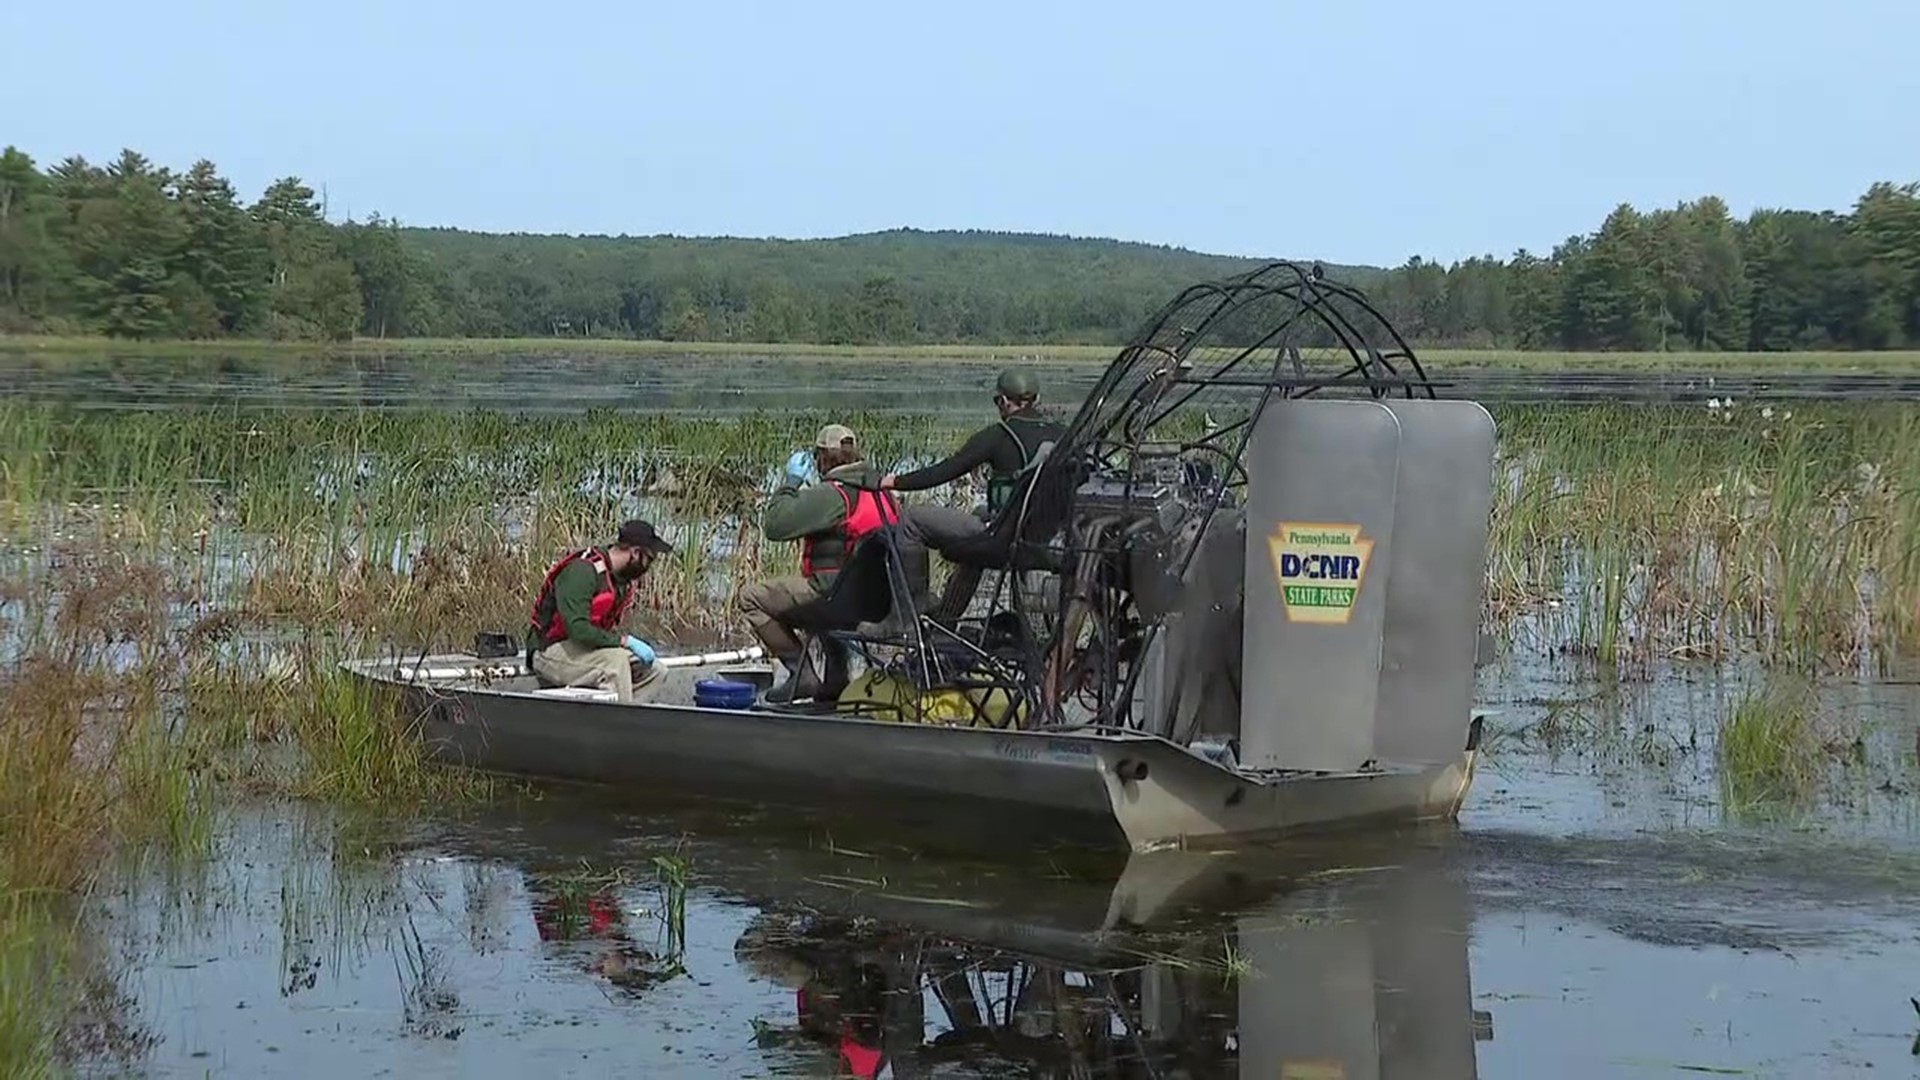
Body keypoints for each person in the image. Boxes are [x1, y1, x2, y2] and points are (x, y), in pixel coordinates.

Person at [740, 423, 897, 704]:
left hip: (839, 601)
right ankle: (836, 681)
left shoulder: (833, 494)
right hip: (880, 602)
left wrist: (791, 482)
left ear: (823, 457)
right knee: (832, 594)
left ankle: (801, 676)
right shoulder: (884, 493)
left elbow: (776, 526)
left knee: (753, 598)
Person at [881, 366, 1066, 550]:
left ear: (1003, 401)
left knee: (912, 519)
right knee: (979, 511)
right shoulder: (1063, 434)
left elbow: (944, 472)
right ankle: (964, 581)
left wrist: (894, 482)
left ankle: (907, 581)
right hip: (1049, 530)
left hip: (1006, 533)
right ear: (1037, 399)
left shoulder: (999, 435)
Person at [525, 519, 674, 703]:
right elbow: (578, 629)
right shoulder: (582, 572)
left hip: (584, 649)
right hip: (548, 652)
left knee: (656, 670)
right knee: (616, 664)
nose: (648, 567)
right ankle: (618, 725)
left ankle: (629, 718)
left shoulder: (619, 580)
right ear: (635, 553)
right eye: (649, 559)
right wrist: (624, 641)